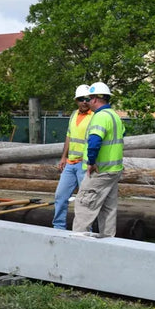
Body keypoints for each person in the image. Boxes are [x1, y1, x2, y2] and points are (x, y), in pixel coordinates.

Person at [72, 82, 125, 237]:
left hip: (100, 171)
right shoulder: (115, 116)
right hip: (114, 170)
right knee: (108, 208)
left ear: (95, 99)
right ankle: (108, 241)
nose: (87, 102)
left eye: (89, 99)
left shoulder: (100, 117)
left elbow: (94, 141)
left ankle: (77, 240)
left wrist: (91, 162)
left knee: (84, 204)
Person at [52, 84, 92, 230]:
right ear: (76, 100)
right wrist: (63, 157)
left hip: (84, 164)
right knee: (60, 196)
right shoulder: (74, 115)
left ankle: (86, 230)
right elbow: (69, 136)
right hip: (70, 163)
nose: (84, 102)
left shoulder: (94, 116)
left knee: (85, 200)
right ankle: (58, 227)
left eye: (87, 99)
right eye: (81, 99)